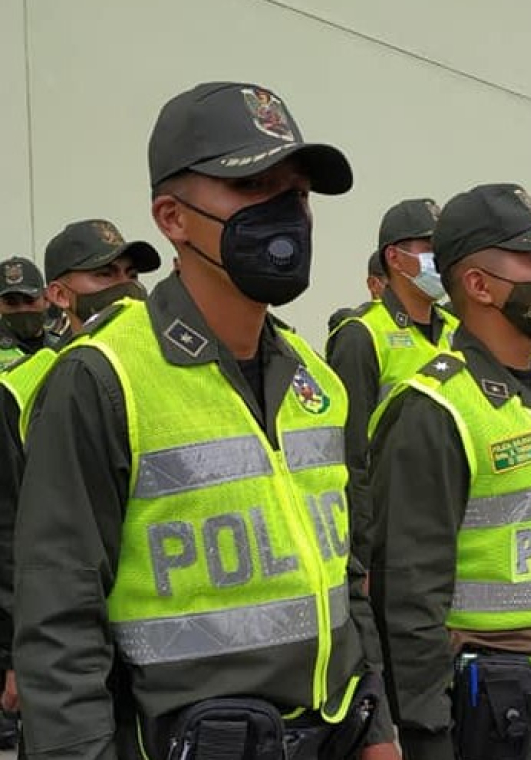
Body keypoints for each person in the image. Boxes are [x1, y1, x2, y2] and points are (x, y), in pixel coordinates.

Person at [13, 81, 398, 759]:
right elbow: (59, 625)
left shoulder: (317, 379)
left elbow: (343, 577)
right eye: (252, 186)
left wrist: (378, 727)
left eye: (297, 192)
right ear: (173, 217)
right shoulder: (103, 379)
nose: (286, 212)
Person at [369, 183, 531, 760]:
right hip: (486, 714)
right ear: (479, 285)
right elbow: (410, 595)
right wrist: (427, 732)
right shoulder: (435, 407)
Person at [0, 221, 160, 748]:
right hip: (78, 654)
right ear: (59, 295)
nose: (125, 287)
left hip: (154, 660)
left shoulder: (157, 372)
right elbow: (16, 534)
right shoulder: (32, 386)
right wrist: (15, 655)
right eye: (104, 274)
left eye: (129, 272)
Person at [326, 198, 458, 568]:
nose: (441, 260)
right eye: (430, 248)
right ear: (395, 258)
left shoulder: (459, 331)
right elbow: (349, 455)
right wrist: (361, 552)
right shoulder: (362, 335)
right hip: (393, 531)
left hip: (455, 519)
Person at [0, 258, 55, 368]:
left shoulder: (62, 347)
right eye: (11, 302)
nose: (22, 309)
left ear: (46, 299)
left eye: (29, 300)